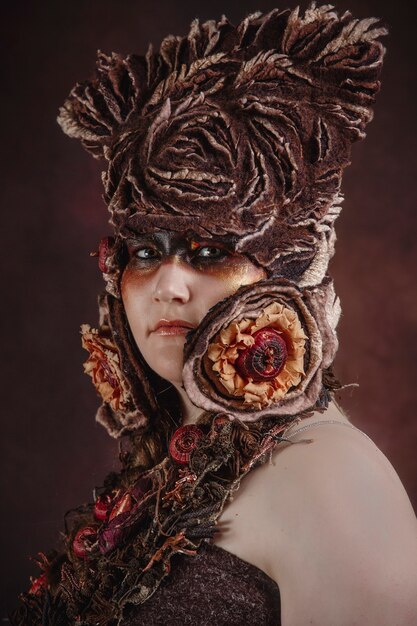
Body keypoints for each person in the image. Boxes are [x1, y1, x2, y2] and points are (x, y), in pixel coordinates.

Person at [12, 5, 417, 625]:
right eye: (146, 251)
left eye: (210, 251)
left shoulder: (334, 484)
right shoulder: (170, 467)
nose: (169, 285)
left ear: (287, 266)